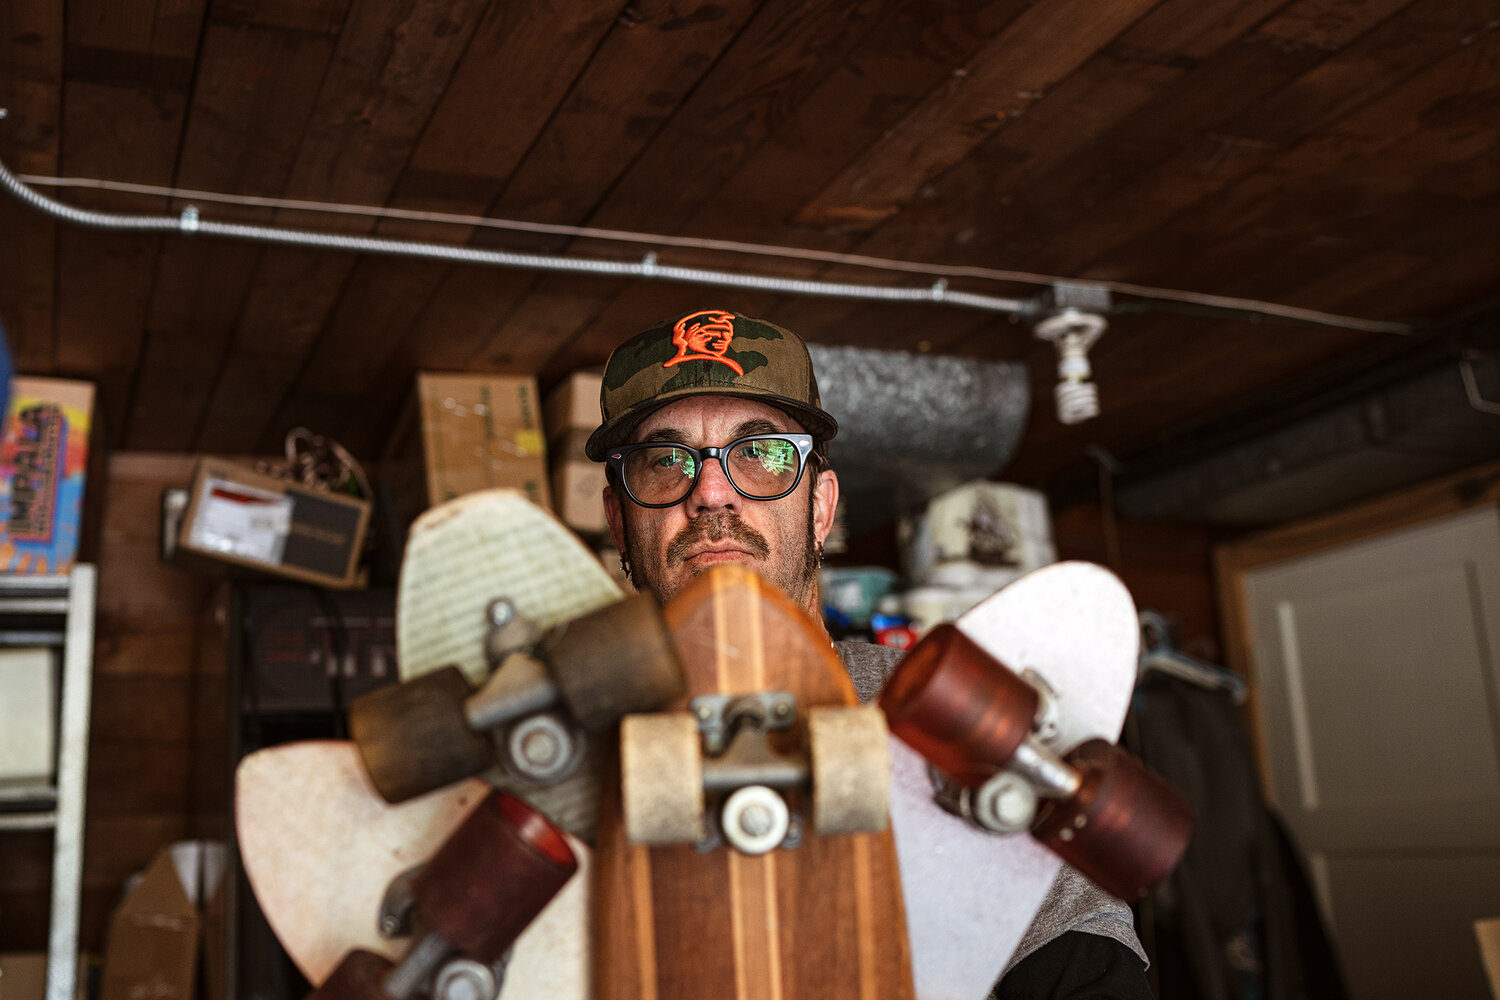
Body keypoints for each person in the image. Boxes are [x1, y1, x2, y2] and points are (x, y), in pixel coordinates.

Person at [586, 308, 1154, 1000]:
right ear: (619, 520)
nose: (711, 493)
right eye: (663, 461)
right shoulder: (568, 744)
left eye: (761, 454)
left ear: (820, 508)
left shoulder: (940, 710)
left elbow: (1086, 974)